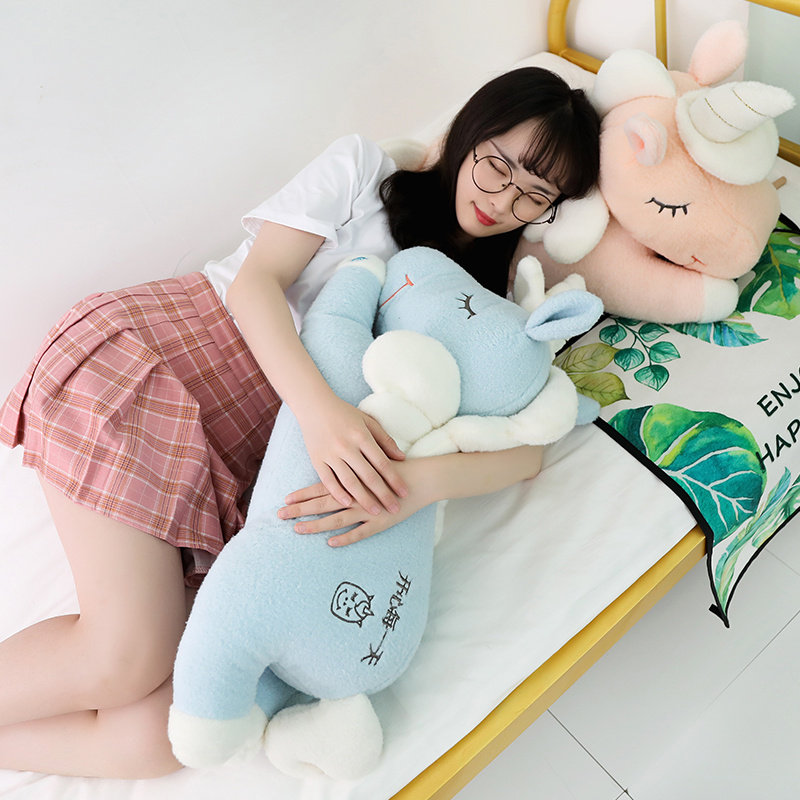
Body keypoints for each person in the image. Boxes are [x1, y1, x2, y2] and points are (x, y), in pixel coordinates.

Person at [0, 66, 599, 778]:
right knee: (123, 659)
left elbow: (527, 452)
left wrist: (417, 486)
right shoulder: (364, 170)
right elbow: (256, 284)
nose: (503, 201)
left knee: (158, 735)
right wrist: (320, 413)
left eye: (535, 194)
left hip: (251, 461)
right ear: (471, 129)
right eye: (498, 165)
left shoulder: (486, 305)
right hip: (173, 362)